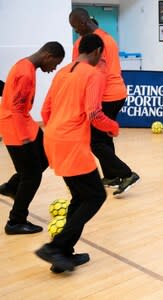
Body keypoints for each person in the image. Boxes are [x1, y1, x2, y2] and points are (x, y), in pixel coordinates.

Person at [35, 33, 119, 273]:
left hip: (53, 138)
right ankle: (55, 247)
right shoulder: (93, 74)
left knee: (80, 197)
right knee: (95, 196)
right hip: (72, 144)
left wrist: (56, 132)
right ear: (96, 53)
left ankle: (62, 255)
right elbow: (94, 114)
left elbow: (45, 109)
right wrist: (112, 127)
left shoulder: (62, 72)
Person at [69, 8, 139, 196]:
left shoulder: (87, 44)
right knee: (104, 138)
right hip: (117, 93)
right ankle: (111, 175)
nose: (76, 31)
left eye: (76, 27)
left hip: (105, 96)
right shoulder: (107, 38)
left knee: (95, 141)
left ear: (84, 22)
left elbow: (87, 73)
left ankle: (126, 174)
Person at [0, 42, 65, 234]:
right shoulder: (26, 73)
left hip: (25, 122)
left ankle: (12, 187)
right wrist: (24, 138)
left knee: (45, 157)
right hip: (16, 126)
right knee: (32, 175)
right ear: (47, 55)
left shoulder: (24, 65)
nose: (53, 69)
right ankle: (15, 221)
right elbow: (16, 108)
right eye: (55, 64)